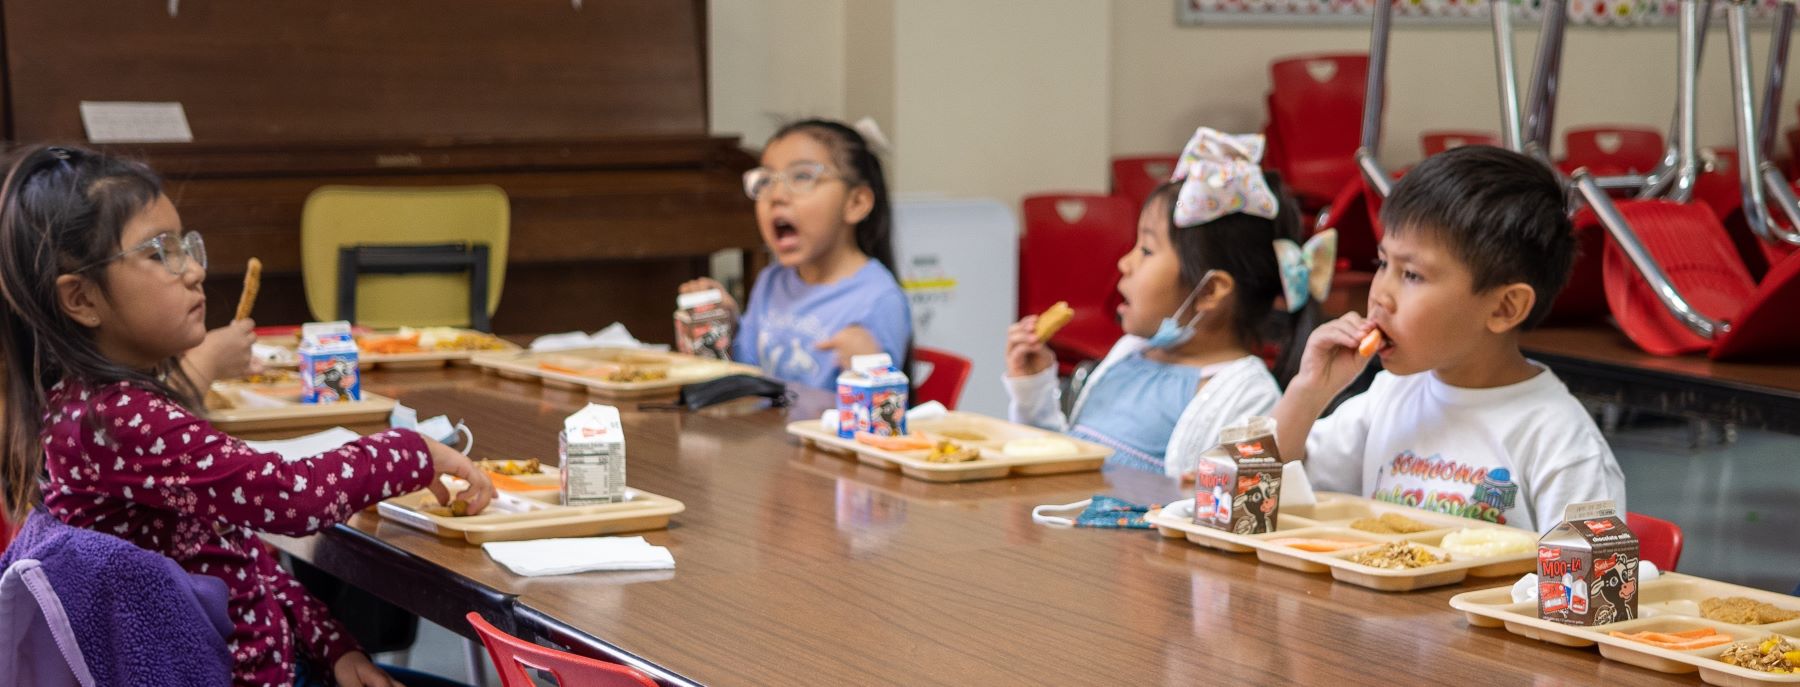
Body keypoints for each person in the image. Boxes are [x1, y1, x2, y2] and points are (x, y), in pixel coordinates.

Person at [0, 145, 496, 686]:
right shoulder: (116, 421)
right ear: (81, 300)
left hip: (290, 666)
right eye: (159, 252)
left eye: (187, 246)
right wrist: (413, 452)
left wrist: (333, 646)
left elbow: (237, 554)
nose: (194, 271)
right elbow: (290, 496)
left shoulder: (102, 407)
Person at [1269, 145, 1626, 531]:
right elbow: (1263, 496)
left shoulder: (1560, 441)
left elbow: (1592, 583)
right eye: (1383, 263)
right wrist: (1306, 394)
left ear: (1505, 308)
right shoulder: (1387, 398)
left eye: (1412, 276)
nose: (1380, 295)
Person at [680, 119, 911, 391]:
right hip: (764, 432)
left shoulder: (877, 299)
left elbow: (889, 416)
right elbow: (751, 379)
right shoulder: (771, 281)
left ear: (856, 203)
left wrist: (871, 367)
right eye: (765, 180)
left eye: (801, 176)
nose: (776, 195)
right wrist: (726, 328)